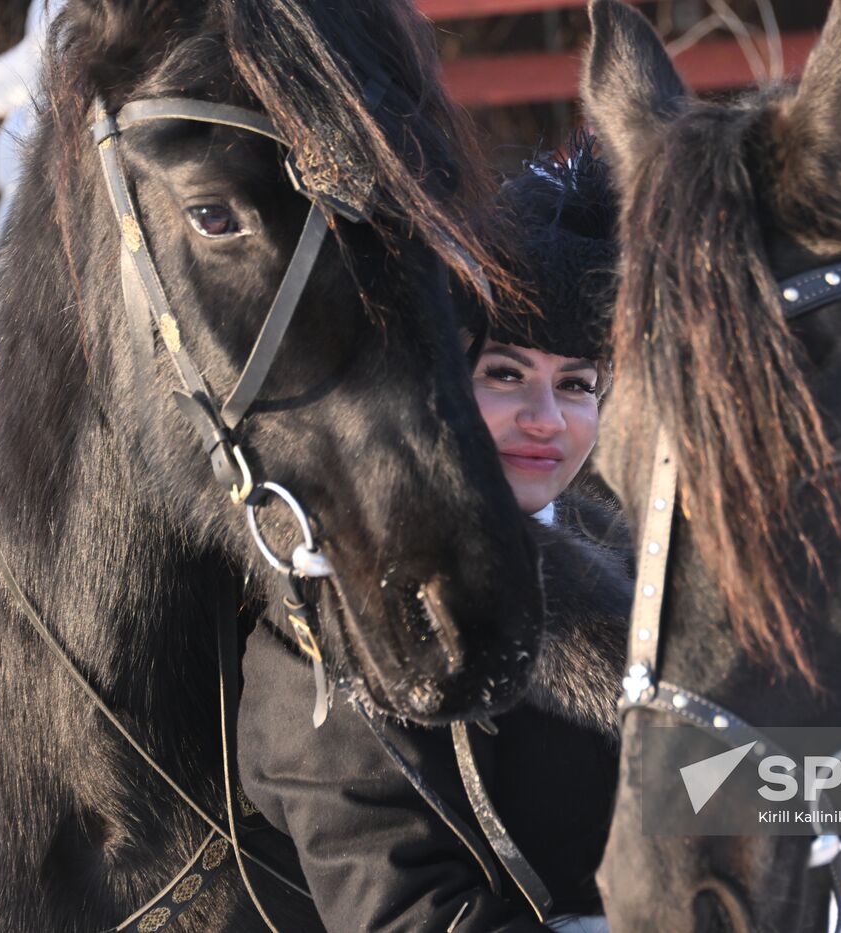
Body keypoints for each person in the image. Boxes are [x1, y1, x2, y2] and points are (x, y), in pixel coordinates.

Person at [236, 132, 630, 932]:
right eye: (507, 374)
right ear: (443, 378)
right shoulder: (339, 606)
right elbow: (403, 907)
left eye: (578, 384)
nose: (545, 419)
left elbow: (734, 796)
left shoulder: (639, 562)